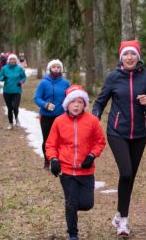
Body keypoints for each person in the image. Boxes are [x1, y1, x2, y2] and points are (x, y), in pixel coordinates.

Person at [92, 39, 146, 237]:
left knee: (130, 176)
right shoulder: (113, 77)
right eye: (126, 54)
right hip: (117, 132)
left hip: (140, 134)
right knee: (125, 172)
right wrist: (94, 117)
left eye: (133, 54)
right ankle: (123, 221)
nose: (129, 57)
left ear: (138, 57)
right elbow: (100, 102)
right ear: (121, 57)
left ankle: (120, 215)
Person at [46, 85, 106, 240]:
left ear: (84, 104)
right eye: (73, 102)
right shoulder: (59, 121)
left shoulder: (92, 121)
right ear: (67, 104)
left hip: (86, 171)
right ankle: (73, 234)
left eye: (80, 102)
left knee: (87, 204)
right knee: (71, 203)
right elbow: (51, 144)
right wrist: (53, 159)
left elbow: (100, 141)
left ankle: (70, 208)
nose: (77, 105)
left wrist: (92, 155)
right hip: (66, 171)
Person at [34, 59, 70, 169]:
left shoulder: (65, 83)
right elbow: (37, 98)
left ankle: (59, 160)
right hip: (46, 116)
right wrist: (45, 105)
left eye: (58, 67)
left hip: (61, 116)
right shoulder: (43, 83)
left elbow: (69, 97)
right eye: (54, 67)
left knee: (61, 139)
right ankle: (47, 160)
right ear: (49, 69)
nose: (56, 69)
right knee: (48, 139)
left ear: (61, 69)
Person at [0, 54, 26, 130]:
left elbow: (24, 77)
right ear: (8, 60)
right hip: (7, 91)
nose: (12, 61)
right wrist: (3, 77)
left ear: (16, 60)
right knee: (10, 108)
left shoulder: (19, 68)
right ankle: (10, 123)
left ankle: (16, 118)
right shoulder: (4, 68)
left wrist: (20, 82)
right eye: (11, 59)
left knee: (15, 107)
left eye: (14, 59)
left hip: (17, 91)